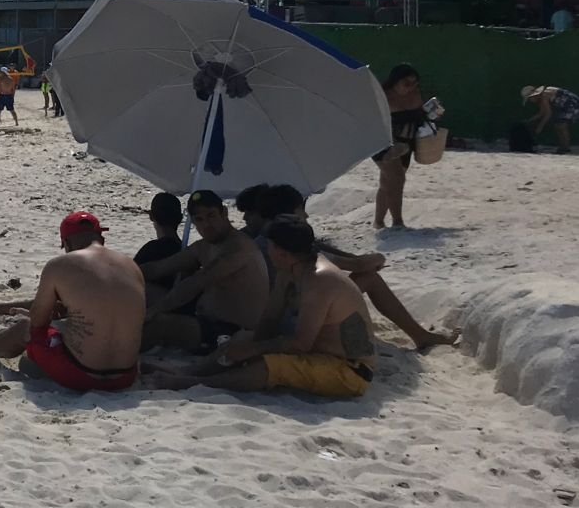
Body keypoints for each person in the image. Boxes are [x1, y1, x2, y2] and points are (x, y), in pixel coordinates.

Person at [147, 221, 377, 400]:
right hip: (320, 354)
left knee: (271, 365)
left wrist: (253, 350)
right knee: (242, 338)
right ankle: (190, 372)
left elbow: (301, 343)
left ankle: (196, 384)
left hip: (350, 369)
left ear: (282, 252)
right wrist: (247, 344)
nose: (267, 250)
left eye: (270, 246)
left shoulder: (319, 280)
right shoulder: (290, 271)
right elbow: (270, 318)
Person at [0, 212, 144, 392]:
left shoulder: (59, 265)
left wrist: (33, 315)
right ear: (101, 239)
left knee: (26, 327)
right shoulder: (132, 266)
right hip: (125, 378)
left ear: (66, 243)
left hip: (82, 375)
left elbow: (37, 323)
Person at [256, 184, 457, 350]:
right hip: (294, 321)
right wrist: (378, 257)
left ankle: (420, 335)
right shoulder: (288, 245)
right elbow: (358, 264)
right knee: (369, 277)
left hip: (273, 314)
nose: (306, 215)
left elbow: (334, 254)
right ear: (290, 213)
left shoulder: (262, 239)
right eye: (302, 210)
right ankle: (420, 336)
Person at [140, 191, 269, 352]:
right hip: (202, 318)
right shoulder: (204, 246)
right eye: (199, 220)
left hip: (231, 332)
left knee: (160, 323)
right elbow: (158, 268)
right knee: (141, 289)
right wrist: (119, 272)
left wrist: (154, 310)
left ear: (224, 213)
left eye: (211, 216)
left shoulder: (239, 248)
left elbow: (196, 283)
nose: (206, 225)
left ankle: (118, 360)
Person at [376, 63, 429, 228]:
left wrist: (432, 113)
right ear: (395, 81)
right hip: (384, 142)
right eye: (407, 83)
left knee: (388, 182)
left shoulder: (415, 94)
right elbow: (375, 123)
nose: (411, 87)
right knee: (397, 179)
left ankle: (378, 222)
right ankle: (397, 222)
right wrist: (391, 146)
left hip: (407, 142)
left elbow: (420, 116)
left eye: (414, 83)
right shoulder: (382, 96)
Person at [523, 84, 579, 153]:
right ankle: (563, 146)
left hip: (573, 105)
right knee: (557, 125)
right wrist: (529, 120)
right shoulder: (542, 97)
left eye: (529, 98)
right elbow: (541, 112)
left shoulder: (544, 95)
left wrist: (540, 127)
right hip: (566, 106)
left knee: (561, 126)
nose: (530, 101)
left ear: (534, 95)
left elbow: (548, 114)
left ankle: (566, 147)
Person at [133, 192, 185, 268]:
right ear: (180, 218)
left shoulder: (150, 250)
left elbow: (130, 275)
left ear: (151, 216)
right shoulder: (187, 252)